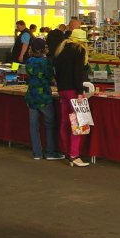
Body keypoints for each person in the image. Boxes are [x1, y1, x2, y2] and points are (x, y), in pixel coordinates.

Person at [54, 28, 91, 167]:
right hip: (72, 91)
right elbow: (78, 73)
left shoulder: (62, 50)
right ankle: (74, 155)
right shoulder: (79, 50)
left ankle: (67, 152)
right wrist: (80, 91)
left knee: (65, 122)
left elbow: (57, 71)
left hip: (62, 90)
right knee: (77, 124)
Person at [24, 38, 63, 160]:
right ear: (44, 49)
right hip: (44, 96)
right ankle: (50, 152)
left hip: (31, 95)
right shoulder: (45, 63)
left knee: (33, 126)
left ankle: (37, 153)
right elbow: (51, 77)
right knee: (50, 124)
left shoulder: (29, 61)